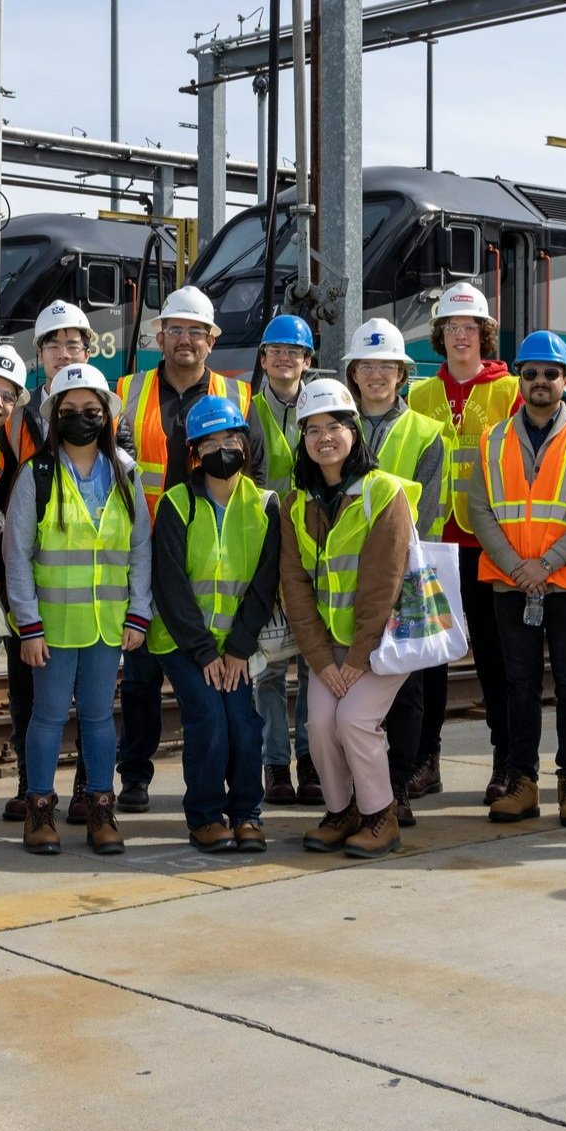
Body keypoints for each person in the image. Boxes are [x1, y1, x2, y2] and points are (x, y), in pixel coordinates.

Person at [469, 331, 566, 827]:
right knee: (519, 684)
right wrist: (517, 567)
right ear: (520, 379)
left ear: (565, 380)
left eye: (550, 373)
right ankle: (522, 783)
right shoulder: (493, 440)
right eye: (530, 373)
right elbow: (479, 509)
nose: (540, 382)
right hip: (512, 583)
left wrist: (546, 564)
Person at [114, 286, 250, 813]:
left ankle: (214, 782)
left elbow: (251, 470)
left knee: (211, 675)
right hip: (143, 549)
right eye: (176, 330)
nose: (185, 340)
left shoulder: (237, 397)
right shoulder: (126, 391)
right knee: (141, 674)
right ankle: (136, 775)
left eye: (197, 331)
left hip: (213, 552)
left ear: (212, 340)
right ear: (159, 336)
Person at [9, 363, 154, 855]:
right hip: (51, 625)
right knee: (47, 716)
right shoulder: (38, 474)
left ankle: (100, 809)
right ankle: (39, 810)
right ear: (54, 417)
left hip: (107, 624)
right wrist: (28, 626)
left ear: (106, 416)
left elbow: (140, 550)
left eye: (91, 410)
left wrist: (139, 614)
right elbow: (17, 553)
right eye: (69, 411)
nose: (80, 418)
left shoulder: (125, 473)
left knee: (97, 718)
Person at [279, 378, 420, 860]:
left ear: (354, 432)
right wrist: (323, 661)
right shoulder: (297, 504)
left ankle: (381, 815)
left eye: (335, 426)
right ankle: (342, 812)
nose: (324, 438)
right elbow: (296, 590)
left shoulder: (385, 494)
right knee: (319, 723)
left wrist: (357, 658)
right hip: (332, 647)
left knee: (355, 719)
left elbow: (384, 583)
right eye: (313, 429)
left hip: (385, 640)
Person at [151, 396, 282, 851]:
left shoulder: (267, 506)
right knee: (209, 717)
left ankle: (246, 813)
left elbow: (265, 585)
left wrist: (237, 649)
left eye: (231, 438)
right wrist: (205, 651)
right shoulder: (177, 503)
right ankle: (205, 816)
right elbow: (170, 586)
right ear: (194, 453)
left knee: (244, 724)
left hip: (237, 645)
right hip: (182, 643)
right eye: (210, 443)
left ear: (246, 444)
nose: (223, 449)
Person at [407, 282, 519, 802]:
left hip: (486, 543)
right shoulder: (420, 394)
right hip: (432, 543)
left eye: (469, 328)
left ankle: (505, 763)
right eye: (451, 328)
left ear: (484, 334)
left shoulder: (509, 390)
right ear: (440, 335)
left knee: (495, 659)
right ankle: (425, 761)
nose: (460, 337)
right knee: (429, 660)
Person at [344, 318, 450, 826]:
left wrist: (387, 561)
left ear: (402, 374)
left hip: (405, 574)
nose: (377, 374)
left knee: (405, 688)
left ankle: (397, 788)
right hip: (343, 577)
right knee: (347, 682)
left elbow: (427, 514)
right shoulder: (334, 425)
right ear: (354, 372)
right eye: (368, 365)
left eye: (387, 365)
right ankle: (351, 794)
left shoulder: (428, 435)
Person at [0, 302, 94, 824]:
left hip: (88, 582)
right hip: (30, 577)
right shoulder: (16, 419)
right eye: (54, 345)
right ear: (39, 356)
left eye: (74, 344)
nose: (64, 353)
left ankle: (85, 787)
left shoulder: (108, 408)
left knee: (90, 693)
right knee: (26, 686)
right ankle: (30, 784)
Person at [246, 313, 317, 806]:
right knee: (269, 663)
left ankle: (310, 761)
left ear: (308, 361)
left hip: (315, 550)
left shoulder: (326, 408)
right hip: (263, 550)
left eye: (294, 352)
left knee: (314, 658)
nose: (285, 358)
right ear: (264, 359)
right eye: (276, 351)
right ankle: (276, 765)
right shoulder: (247, 411)